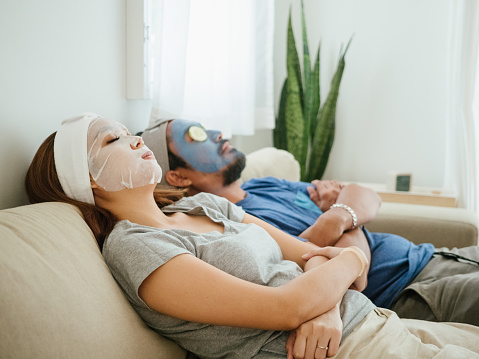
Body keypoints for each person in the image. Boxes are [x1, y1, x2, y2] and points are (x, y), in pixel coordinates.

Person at [25, 113, 479, 359]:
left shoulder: (203, 205)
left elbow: (313, 256)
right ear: (87, 183)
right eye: (112, 141)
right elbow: (288, 305)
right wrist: (351, 263)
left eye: (127, 133)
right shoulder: (135, 246)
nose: (135, 141)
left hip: (366, 320)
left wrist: (328, 300)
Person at [140, 118, 479, 326]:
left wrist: (336, 218)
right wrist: (346, 217)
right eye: (195, 135)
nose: (215, 132)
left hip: (436, 256)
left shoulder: (264, 184)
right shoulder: (237, 228)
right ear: (177, 176)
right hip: (413, 292)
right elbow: (352, 277)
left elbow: (363, 194)